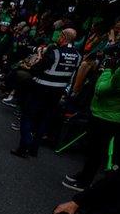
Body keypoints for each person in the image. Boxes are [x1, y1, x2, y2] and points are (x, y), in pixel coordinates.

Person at [62, 40, 120, 191]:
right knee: (92, 147)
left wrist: (108, 70)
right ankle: (84, 174)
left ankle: (86, 181)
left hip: (114, 116)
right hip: (100, 111)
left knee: (99, 150)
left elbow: (104, 88)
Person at [12, 28, 81, 158]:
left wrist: (33, 65)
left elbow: (38, 68)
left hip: (41, 88)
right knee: (44, 119)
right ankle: (34, 149)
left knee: (28, 115)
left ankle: (24, 145)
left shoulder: (54, 51)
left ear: (64, 37)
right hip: (58, 91)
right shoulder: (78, 55)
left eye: (60, 35)